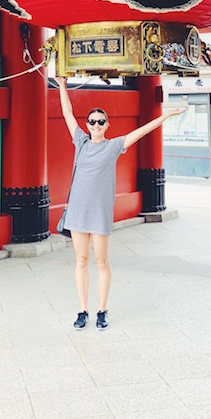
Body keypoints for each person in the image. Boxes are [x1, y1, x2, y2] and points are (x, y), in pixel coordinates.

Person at [56, 77, 186, 331]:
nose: (95, 125)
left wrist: (166, 115)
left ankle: (102, 310)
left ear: (107, 126)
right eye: (92, 121)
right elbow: (67, 112)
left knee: (101, 261)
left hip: (100, 212)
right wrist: (62, 85)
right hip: (78, 211)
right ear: (87, 124)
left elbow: (142, 131)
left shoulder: (115, 146)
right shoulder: (80, 143)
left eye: (100, 122)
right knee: (81, 259)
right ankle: (83, 310)